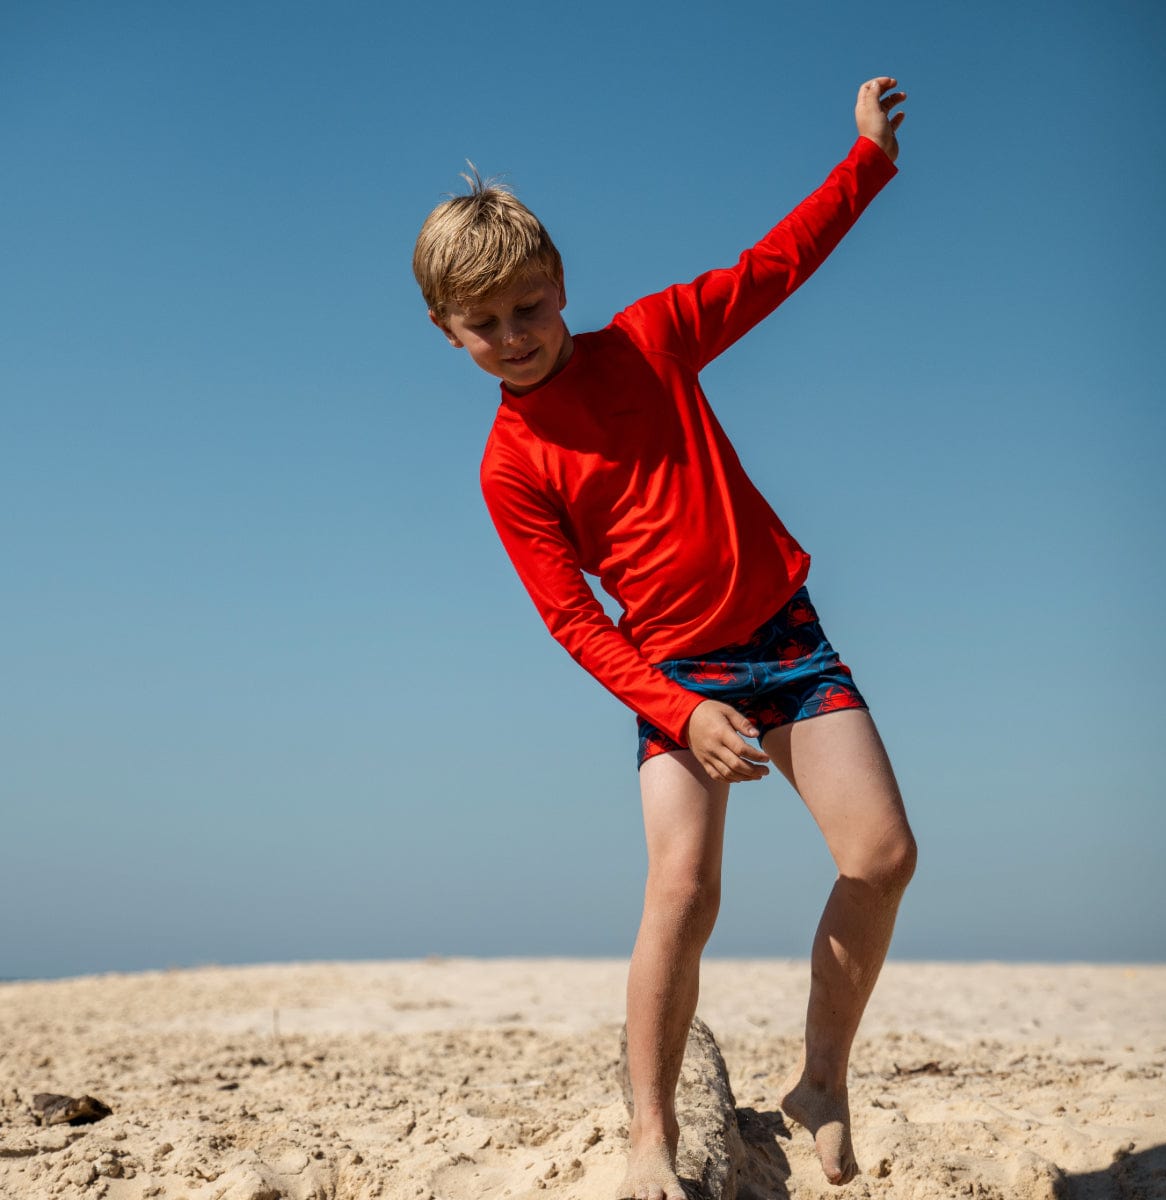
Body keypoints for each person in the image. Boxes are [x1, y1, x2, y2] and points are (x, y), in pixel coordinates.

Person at [413, 77, 918, 1200]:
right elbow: (571, 620)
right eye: (484, 324)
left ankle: (823, 1081)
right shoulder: (511, 467)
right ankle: (649, 1131)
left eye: (529, 309)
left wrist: (867, 161)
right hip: (673, 676)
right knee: (683, 891)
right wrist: (681, 708)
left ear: (559, 289)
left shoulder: (652, 341)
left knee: (882, 856)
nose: (514, 337)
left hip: (785, 639)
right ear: (448, 333)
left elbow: (775, 264)